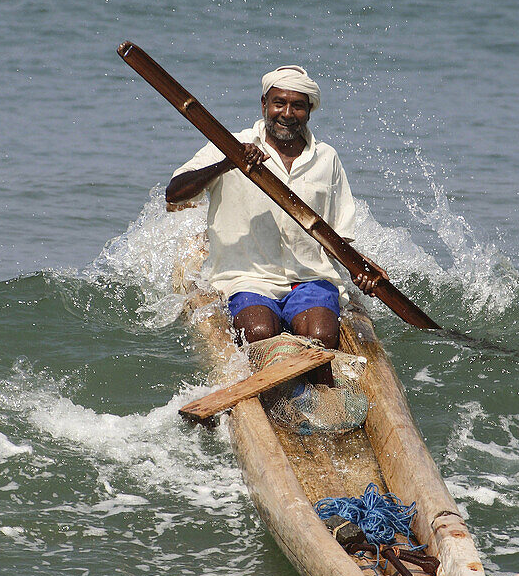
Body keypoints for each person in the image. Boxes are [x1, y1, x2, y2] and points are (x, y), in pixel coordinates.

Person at [165, 65, 385, 386]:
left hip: (310, 278)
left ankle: (316, 390)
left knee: (322, 336)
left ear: (309, 111)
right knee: (258, 333)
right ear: (264, 104)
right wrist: (230, 162)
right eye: (279, 103)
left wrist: (360, 267)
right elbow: (175, 193)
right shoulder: (232, 144)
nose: (287, 113)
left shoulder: (327, 158)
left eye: (297, 105)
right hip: (247, 277)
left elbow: (336, 234)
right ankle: (279, 393)